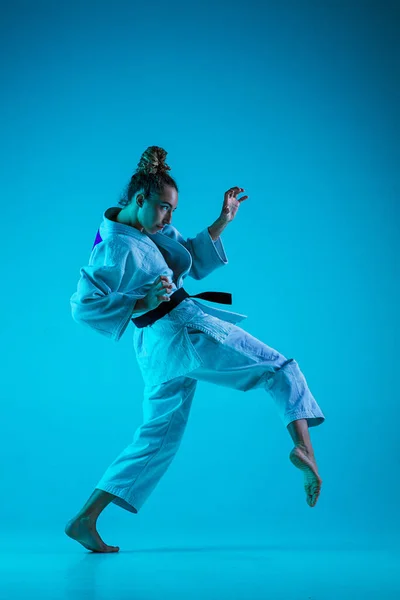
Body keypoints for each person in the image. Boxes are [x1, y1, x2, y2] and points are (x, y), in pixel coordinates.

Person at [65, 146, 325, 553]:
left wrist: (223, 220)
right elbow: (84, 307)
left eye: (171, 210)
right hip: (184, 331)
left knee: (157, 437)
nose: (169, 218)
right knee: (280, 368)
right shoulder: (115, 246)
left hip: (157, 346)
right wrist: (141, 302)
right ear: (139, 200)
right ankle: (303, 449)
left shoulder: (143, 229)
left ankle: (86, 518)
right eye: (164, 209)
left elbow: (187, 252)